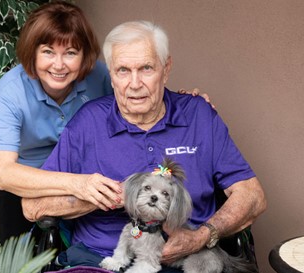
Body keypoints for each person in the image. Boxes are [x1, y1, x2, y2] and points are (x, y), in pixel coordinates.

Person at [21, 20, 267, 273]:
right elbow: (33, 207)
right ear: (111, 76)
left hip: (186, 260)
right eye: (123, 71)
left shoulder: (198, 115)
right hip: (102, 261)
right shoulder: (89, 121)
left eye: (146, 68)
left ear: (166, 68)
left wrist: (203, 236)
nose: (135, 83)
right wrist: (100, 195)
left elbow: (253, 196)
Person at [0, 1, 202, 244]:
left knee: (70, 248)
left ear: (84, 56)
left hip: (83, 171)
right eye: (48, 51)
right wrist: (77, 183)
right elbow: (4, 173)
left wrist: (185, 103)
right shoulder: (10, 92)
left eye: (70, 53)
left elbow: (137, 96)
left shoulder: (99, 76)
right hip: (29, 179)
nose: (59, 65)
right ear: (32, 52)